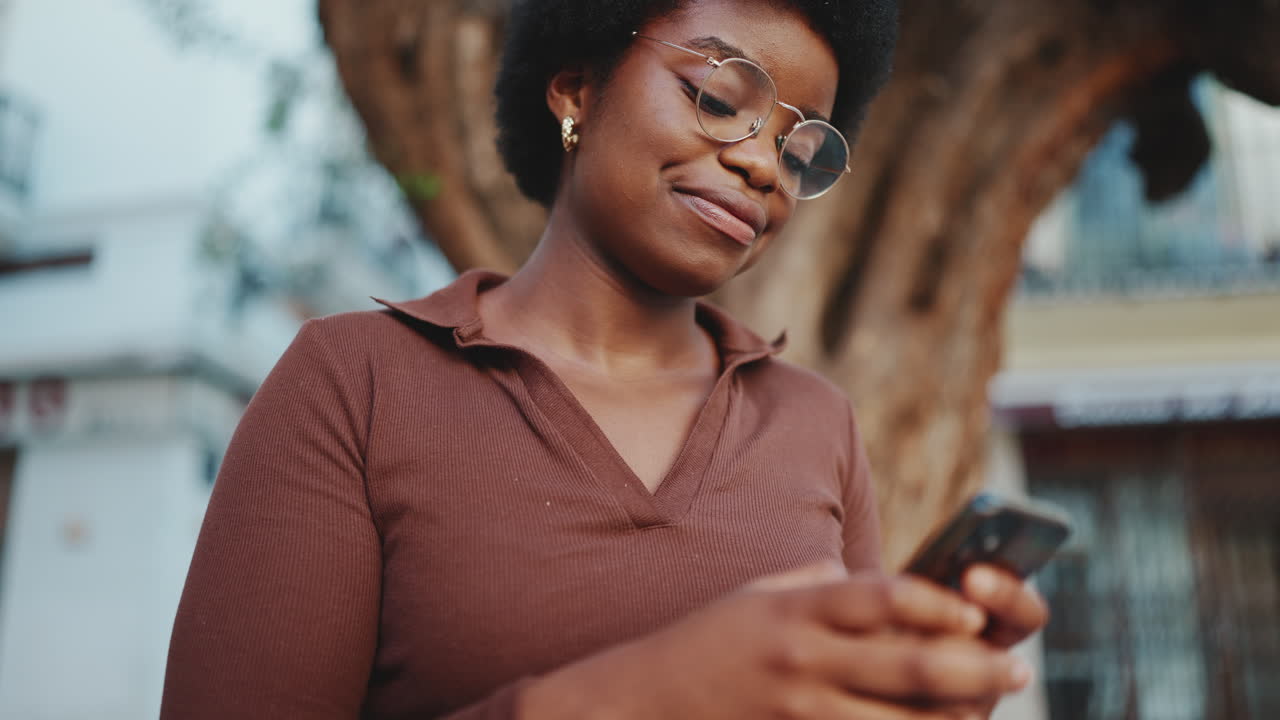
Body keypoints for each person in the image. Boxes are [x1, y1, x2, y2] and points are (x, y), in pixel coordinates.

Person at [161, 0, 1050, 718]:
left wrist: (919, 697)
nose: (761, 167)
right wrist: (651, 694)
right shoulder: (355, 381)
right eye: (718, 94)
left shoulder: (817, 421)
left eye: (798, 144)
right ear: (577, 88)